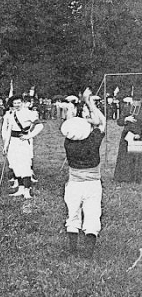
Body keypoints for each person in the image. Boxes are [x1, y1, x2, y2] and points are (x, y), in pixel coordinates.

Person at [61, 88, 105, 258]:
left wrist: (72, 111)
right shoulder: (93, 140)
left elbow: (71, 125)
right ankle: (88, 252)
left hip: (74, 183)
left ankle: (72, 249)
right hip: (93, 184)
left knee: (73, 213)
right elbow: (102, 122)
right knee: (93, 214)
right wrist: (89, 102)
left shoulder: (68, 143)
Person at [2, 95, 43, 199]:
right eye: (14, 103)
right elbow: (9, 131)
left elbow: (39, 126)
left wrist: (29, 136)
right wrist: (6, 145)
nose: (17, 105)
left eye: (19, 103)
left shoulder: (28, 113)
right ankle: (20, 189)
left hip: (23, 142)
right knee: (15, 165)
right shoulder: (11, 114)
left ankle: (27, 191)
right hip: (13, 142)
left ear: (23, 102)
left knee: (24, 165)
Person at [113, 104, 142, 183]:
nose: (136, 102)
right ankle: (124, 178)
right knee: (125, 157)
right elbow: (119, 121)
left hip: (139, 137)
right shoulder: (127, 108)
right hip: (127, 137)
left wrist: (139, 135)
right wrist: (126, 119)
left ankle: (136, 178)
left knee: (137, 158)